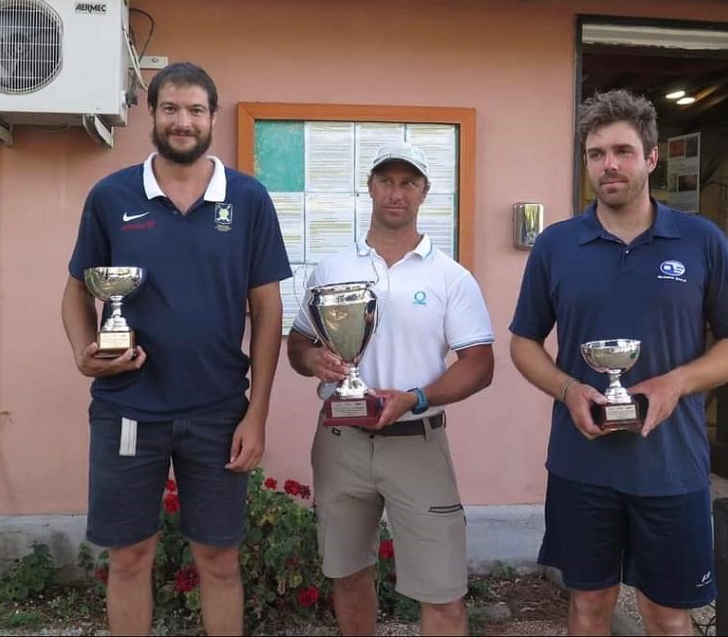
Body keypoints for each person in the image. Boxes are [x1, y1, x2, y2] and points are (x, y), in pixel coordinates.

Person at [509, 89, 728, 636]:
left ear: (651, 157)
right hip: (582, 465)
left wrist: (675, 383)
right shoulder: (557, 246)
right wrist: (569, 389)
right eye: (596, 154)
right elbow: (523, 344)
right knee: (588, 607)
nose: (609, 165)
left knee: (668, 616)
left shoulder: (700, 241)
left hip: (672, 468)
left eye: (622, 151)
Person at [61, 61, 291, 635]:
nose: (182, 121)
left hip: (217, 410)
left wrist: (256, 413)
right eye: (171, 109)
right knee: (129, 558)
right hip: (127, 408)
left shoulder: (249, 199)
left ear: (212, 117)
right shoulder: (111, 196)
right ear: (152, 115)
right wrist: (83, 349)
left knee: (218, 560)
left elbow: (267, 312)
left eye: (194, 110)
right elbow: (74, 292)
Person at [287, 141, 496, 636]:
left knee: (442, 590)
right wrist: (313, 357)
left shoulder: (451, 276)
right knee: (347, 574)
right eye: (386, 181)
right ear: (370, 188)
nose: (395, 194)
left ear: (425, 192)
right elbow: (297, 346)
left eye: (408, 183)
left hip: (416, 443)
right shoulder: (333, 269)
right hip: (341, 444)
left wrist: (416, 398)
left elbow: (480, 364)